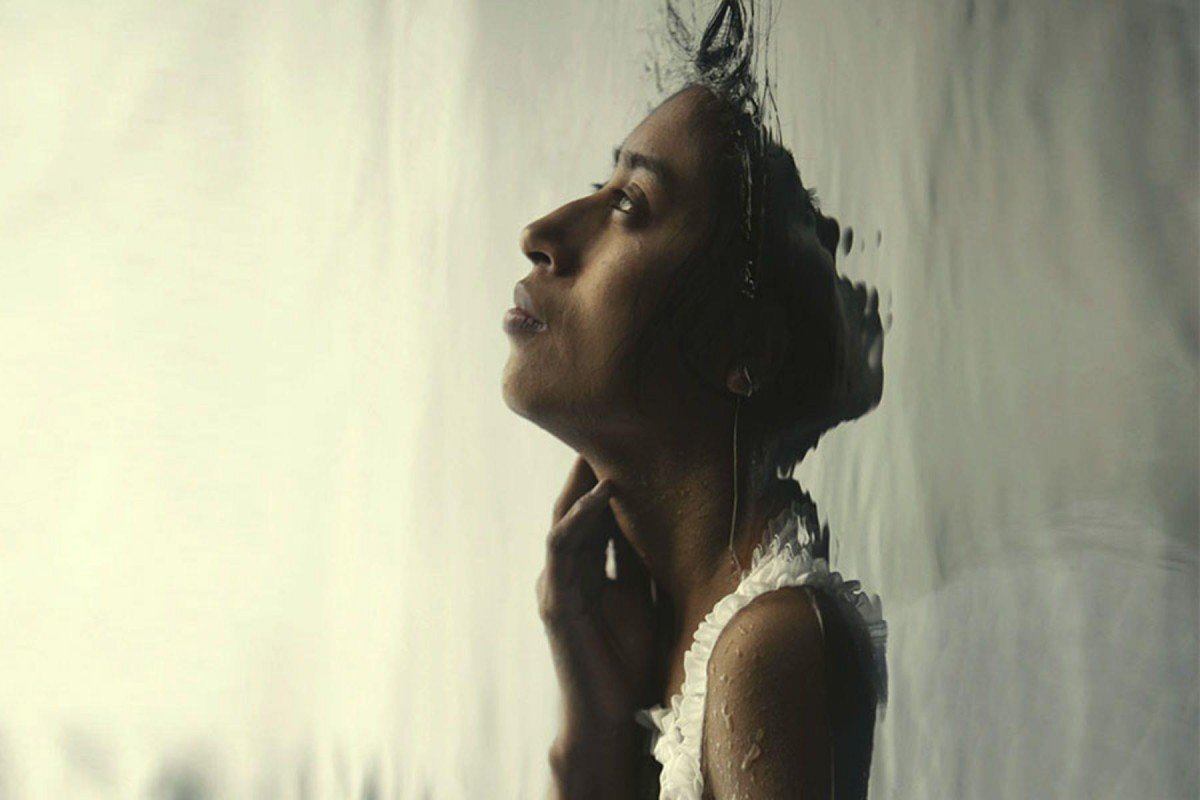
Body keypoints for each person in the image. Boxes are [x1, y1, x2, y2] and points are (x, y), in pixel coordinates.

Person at [501, 2, 887, 797]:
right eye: (600, 190)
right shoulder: (700, 646)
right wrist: (599, 722)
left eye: (629, 207)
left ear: (740, 348)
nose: (542, 232)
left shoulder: (767, 649)